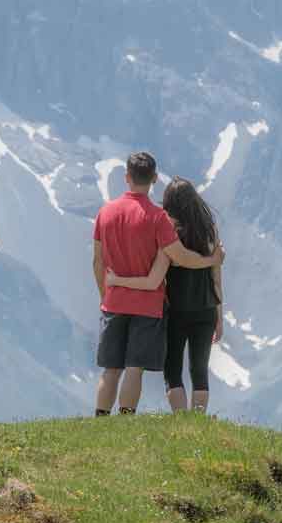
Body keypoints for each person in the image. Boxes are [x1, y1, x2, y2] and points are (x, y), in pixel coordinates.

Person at [92, 152, 222, 415]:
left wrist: (105, 293)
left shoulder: (105, 213)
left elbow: (97, 261)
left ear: (126, 177)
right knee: (134, 367)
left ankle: (100, 419)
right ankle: (126, 418)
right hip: (147, 305)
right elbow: (181, 258)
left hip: (114, 300)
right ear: (153, 179)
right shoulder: (157, 218)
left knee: (111, 368)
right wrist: (212, 260)